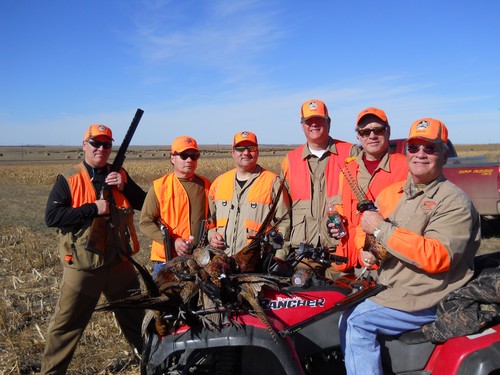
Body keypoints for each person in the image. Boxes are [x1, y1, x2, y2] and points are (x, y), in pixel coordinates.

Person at [339, 118, 481, 375]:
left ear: (445, 155)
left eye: (431, 148)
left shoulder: (454, 201)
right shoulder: (394, 193)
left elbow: (438, 256)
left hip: (427, 295)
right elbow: (372, 235)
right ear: (406, 152)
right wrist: (368, 251)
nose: (421, 154)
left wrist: (382, 229)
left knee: (356, 321)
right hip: (392, 287)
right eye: (414, 147)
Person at [41, 124, 146, 374]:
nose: (101, 148)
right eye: (95, 143)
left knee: (138, 320)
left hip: (120, 263)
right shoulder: (69, 179)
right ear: (84, 145)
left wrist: (124, 186)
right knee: (66, 327)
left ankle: (153, 363)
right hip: (84, 266)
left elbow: (144, 203)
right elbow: (52, 217)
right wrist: (92, 209)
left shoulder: (120, 173)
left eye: (106, 144)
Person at [328, 107, 408, 274]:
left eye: (378, 130)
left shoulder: (406, 168)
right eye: (365, 132)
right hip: (352, 261)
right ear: (358, 136)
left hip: (390, 264)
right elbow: (340, 206)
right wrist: (334, 224)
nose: (372, 136)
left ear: (388, 132)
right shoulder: (348, 169)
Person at [281, 99, 355, 255]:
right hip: (303, 252)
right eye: (309, 121)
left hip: (343, 248)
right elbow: (283, 214)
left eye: (319, 119)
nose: (314, 124)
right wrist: (282, 252)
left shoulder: (351, 153)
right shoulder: (290, 160)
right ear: (302, 125)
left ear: (329, 122)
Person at [208, 130, 290, 260]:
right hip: (223, 260)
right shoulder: (219, 183)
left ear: (257, 152)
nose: (246, 153)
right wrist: (211, 235)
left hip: (256, 262)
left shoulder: (273, 182)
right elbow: (210, 222)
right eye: (240, 148)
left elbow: (284, 224)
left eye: (251, 148)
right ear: (233, 153)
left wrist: (278, 259)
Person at [139, 136, 211, 278]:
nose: (189, 160)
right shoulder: (159, 187)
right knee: (167, 299)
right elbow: (145, 222)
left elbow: (212, 219)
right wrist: (172, 241)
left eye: (194, 156)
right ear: (172, 158)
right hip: (166, 260)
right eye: (184, 156)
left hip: (197, 260)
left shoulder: (207, 186)